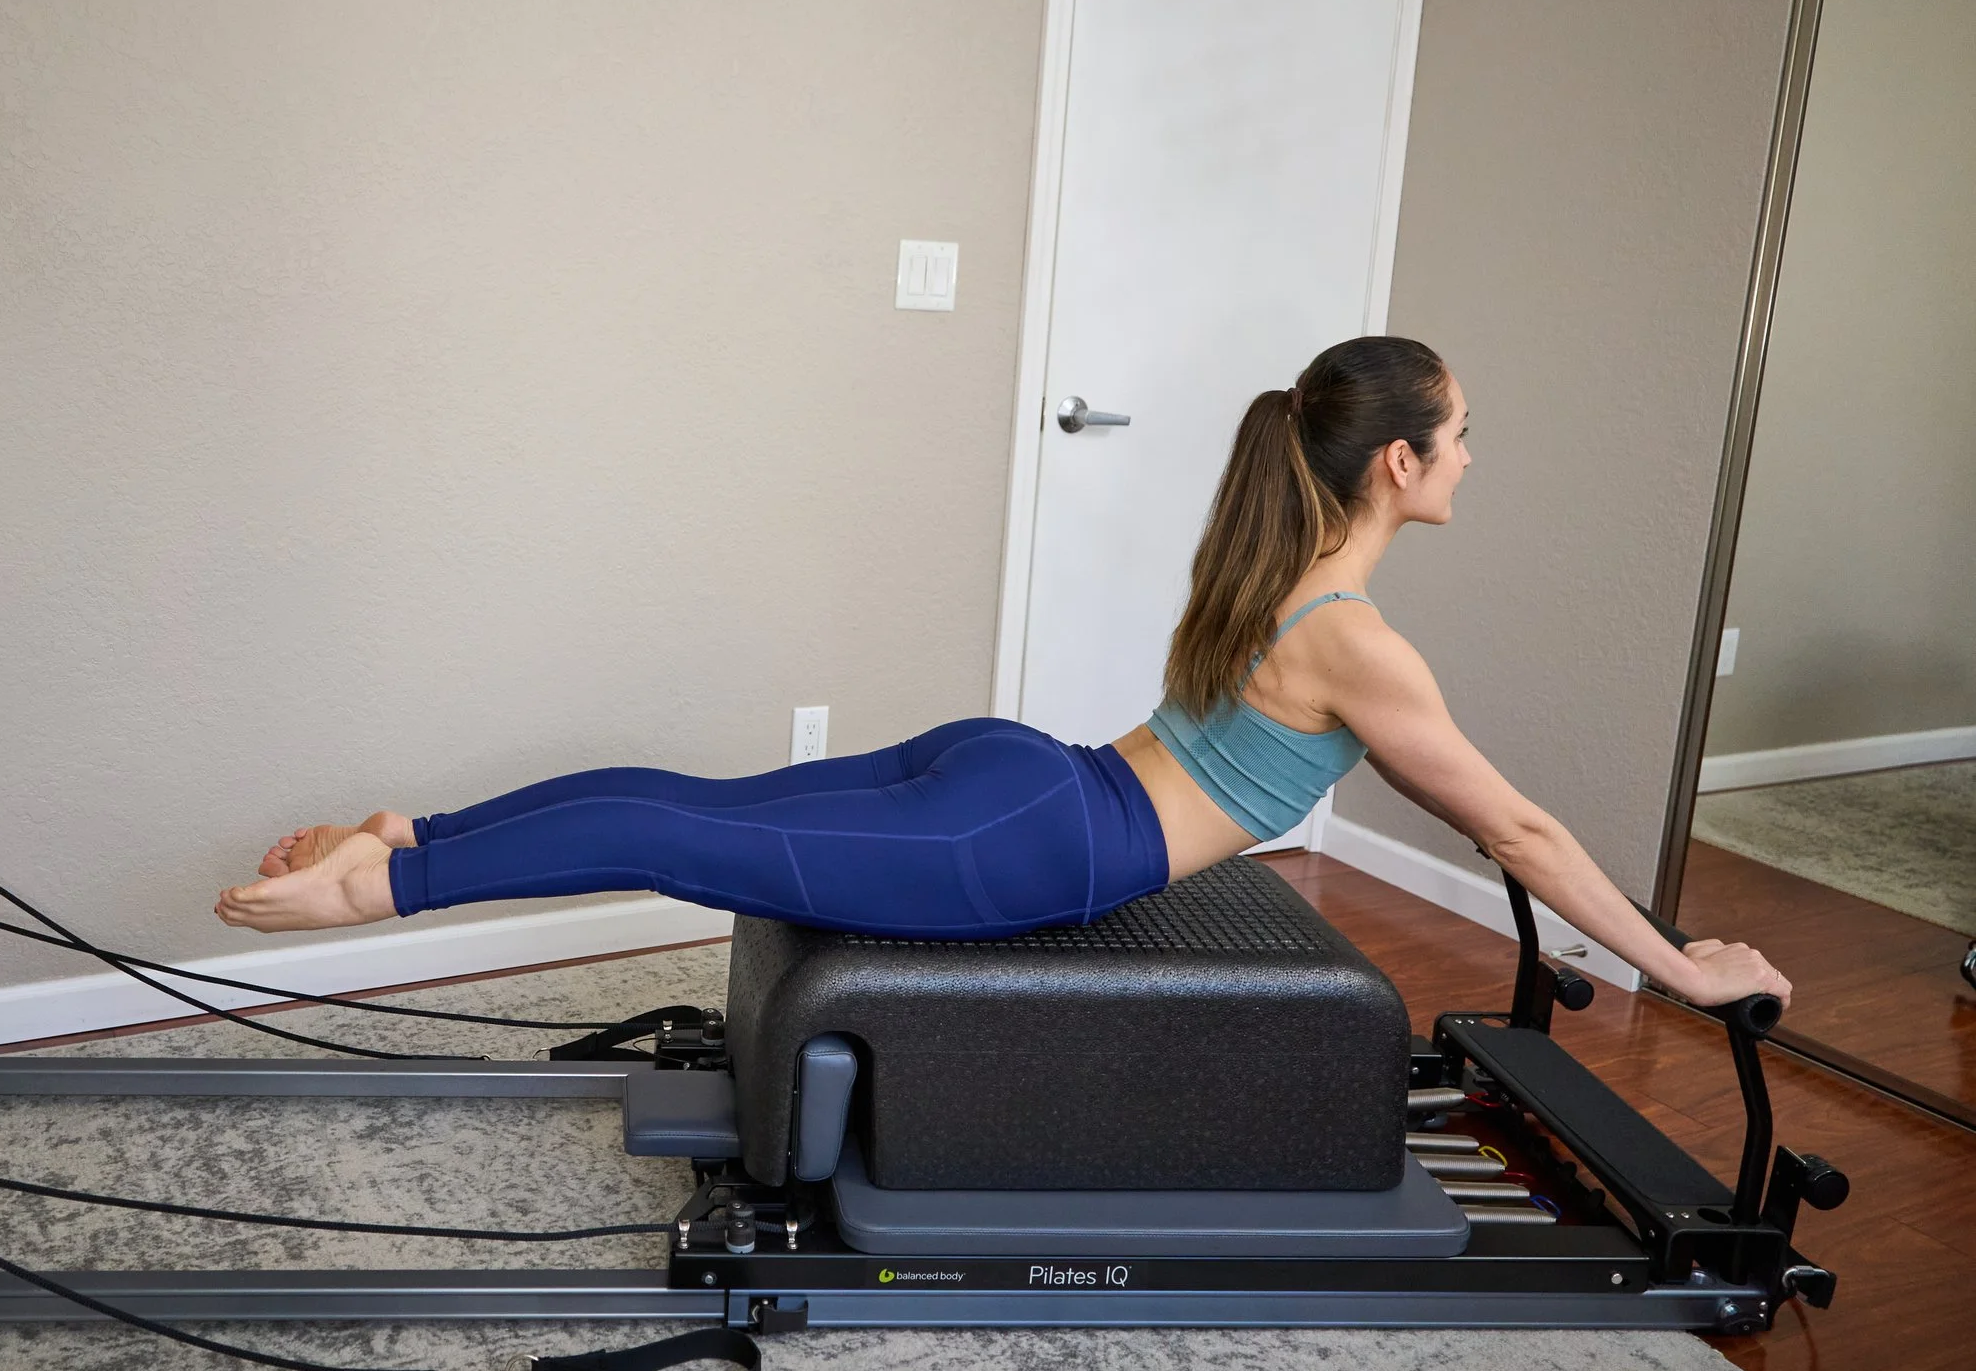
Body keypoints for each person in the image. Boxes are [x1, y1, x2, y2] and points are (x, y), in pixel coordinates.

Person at [218, 336, 1792, 1012]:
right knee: (686, 836)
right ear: (1400, 461)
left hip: (1018, 772)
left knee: (692, 801)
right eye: (1462, 436)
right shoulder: (1359, 640)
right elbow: (1517, 833)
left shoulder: (1283, 570)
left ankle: (413, 834)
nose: (1472, 455)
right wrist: (1682, 962)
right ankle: (387, 889)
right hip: (1037, 842)